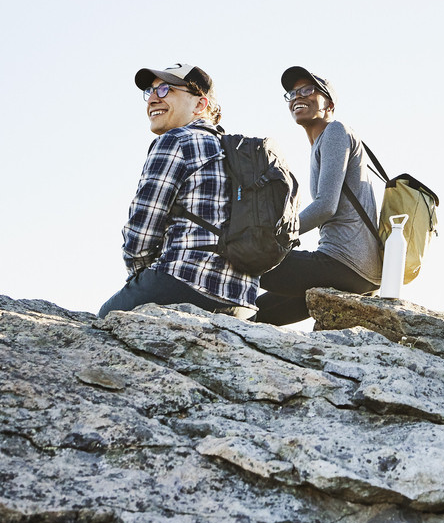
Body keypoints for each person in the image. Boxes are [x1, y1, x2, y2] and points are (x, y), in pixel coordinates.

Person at [97, 62, 260, 319]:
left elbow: (141, 231)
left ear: (199, 105)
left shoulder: (177, 140)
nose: (152, 99)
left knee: (106, 318)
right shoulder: (241, 154)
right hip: (242, 302)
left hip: (183, 283)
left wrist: (140, 278)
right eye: (150, 91)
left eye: (165, 90)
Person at [250, 65, 380, 325]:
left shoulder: (335, 131)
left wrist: (275, 235)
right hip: (359, 274)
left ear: (329, 105)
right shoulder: (321, 142)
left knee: (246, 255)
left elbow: (325, 207)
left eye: (308, 90)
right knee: (255, 313)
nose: (298, 96)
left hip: (344, 263)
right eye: (293, 93)